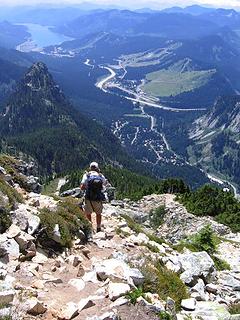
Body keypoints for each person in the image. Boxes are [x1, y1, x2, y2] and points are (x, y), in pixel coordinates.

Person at [80, 162, 107, 235]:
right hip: (98, 198)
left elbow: (82, 187)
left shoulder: (87, 175)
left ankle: (90, 228)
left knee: (88, 213)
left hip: (88, 197)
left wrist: (87, 187)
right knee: (98, 213)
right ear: (97, 168)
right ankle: (98, 227)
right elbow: (104, 184)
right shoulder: (100, 175)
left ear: (90, 167)